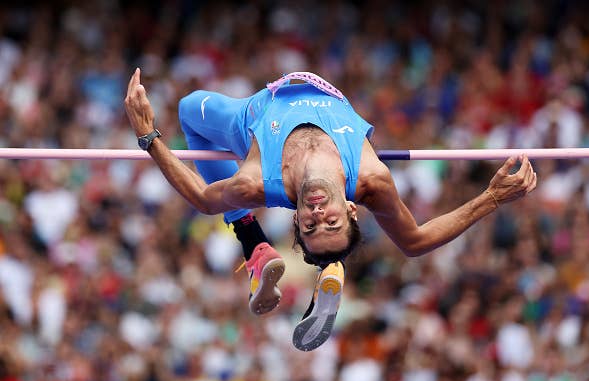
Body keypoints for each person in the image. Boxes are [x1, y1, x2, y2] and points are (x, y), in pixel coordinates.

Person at [124, 69, 537, 351]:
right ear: (353, 209)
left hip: (253, 112)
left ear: (294, 219)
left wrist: (148, 135)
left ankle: (253, 244)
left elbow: (201, 197)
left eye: (310, 225)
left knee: (187, 110)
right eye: (332, 222)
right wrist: (492, 198)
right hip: (316, 96)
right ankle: (295, 255)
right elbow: (415, 241)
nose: (319, 214)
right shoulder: (371, 181)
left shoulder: (260, 180)